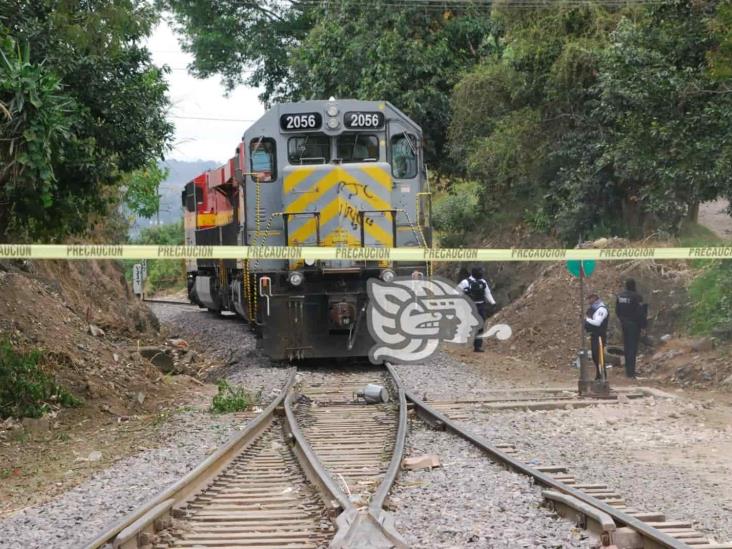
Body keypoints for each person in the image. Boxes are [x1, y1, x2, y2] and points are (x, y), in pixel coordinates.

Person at [458, 267, 496, 352]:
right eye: (480, 272)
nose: (481, 273)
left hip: (481, 305)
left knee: (480, 325)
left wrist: (493, 302)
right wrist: (464, 293)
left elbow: (487, 293)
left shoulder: (483, 282)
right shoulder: (465, 282)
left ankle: (477, 346)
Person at [616, 278, 644, 379]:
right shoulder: (637, 297)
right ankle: (631, 373)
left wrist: (622, 320)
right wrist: (642, 325)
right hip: (634, 325)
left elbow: (617, 311)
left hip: (624, 324)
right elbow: (640, 312)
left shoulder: (620, 296)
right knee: (632, 348)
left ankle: (627, 371)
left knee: (627, 347)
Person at [584, 293, 609, 380]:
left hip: (600, 336)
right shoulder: (593, 309)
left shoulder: (601, 309)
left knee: (599, 357)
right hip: (595, 335)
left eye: (590, 299)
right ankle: (599, 376)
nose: (588, 301)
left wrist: (587, 320)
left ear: (594, 298)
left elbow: (597, 322)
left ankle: (603, 377)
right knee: (595, 357)